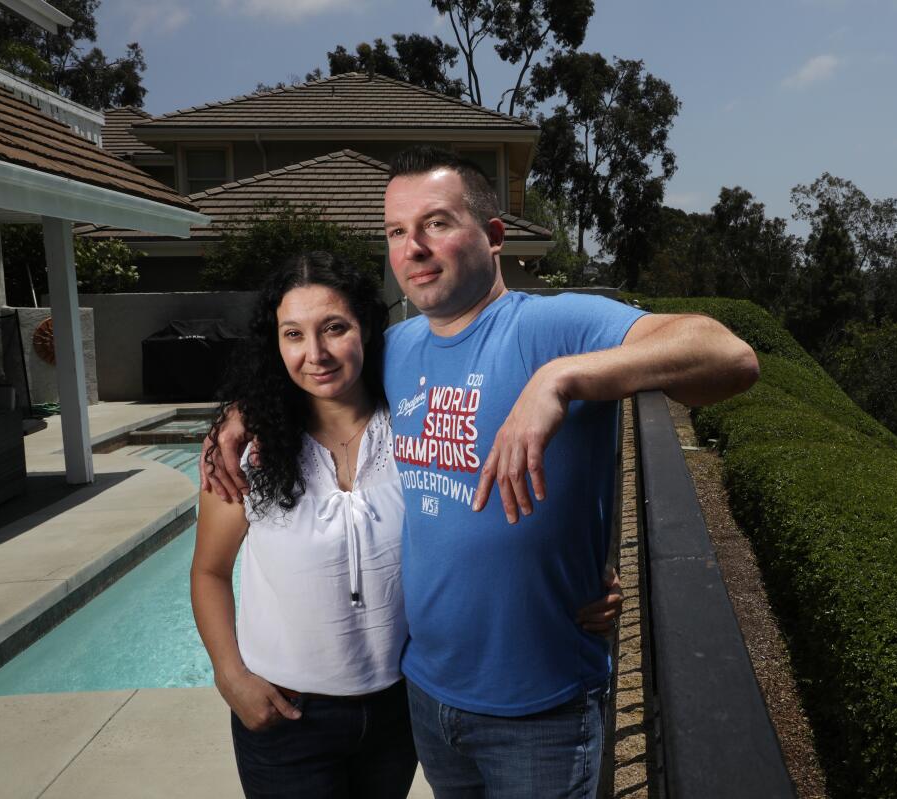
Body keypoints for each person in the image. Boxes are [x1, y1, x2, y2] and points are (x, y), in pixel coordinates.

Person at [205, 147, 760, 798]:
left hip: (540, 708)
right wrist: (238, 416)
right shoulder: (400, 349)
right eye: (395, 231)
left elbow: (730, 355)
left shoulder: (556, 327)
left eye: (436, 223)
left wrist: (560, 378)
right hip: (429, 700)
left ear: (493, 237)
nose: (412, 247)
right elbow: (315, 370)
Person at [191, 251, 624, 799]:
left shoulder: (415, 430)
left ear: (368, 329)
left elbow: (487, 513)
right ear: (273, 345)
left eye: (334, 328)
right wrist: (230, 674)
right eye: (292, 335)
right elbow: (209, 571)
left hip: (399, 712)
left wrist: (589, 569)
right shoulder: (247, 454)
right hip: (284, 717)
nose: (315, 353)